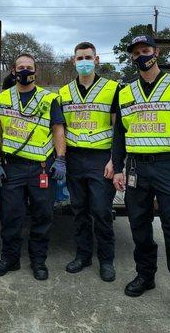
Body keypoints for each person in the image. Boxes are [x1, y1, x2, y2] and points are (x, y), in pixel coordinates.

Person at [112, 35, 170, 323]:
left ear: (156, 52)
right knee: (139, 226)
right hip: (137, 169)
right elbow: (119, 135)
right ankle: (145, 275)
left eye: (146, 50)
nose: (141, 56)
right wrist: (117, 167)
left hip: (169, 168)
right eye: (136, 52)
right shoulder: (125, 92)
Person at [0, 53, 66, 280]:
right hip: (12, 167)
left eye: (29, 67)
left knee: (42, 216)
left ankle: (38, 261)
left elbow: (58, 130)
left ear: (36, 71)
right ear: (13, 71)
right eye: (21, 67)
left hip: (41, 168)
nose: (25, 71)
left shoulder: (49, 99)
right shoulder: (2, 98)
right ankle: (10, 258)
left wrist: (61, 159)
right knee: (11, 216)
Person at [59, 42, 119, 282]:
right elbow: (60, 128)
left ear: (96, 60)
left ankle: (106, 260)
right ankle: (83, 256)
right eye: (79, 57)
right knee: (79, 211)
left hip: (100, 158)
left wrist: (115, 160)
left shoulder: (112, 89)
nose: (84, 61)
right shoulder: (64, 92)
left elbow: (119, 129)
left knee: (101, 211)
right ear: (73, 61)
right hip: (75, 158)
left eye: (88, 57)